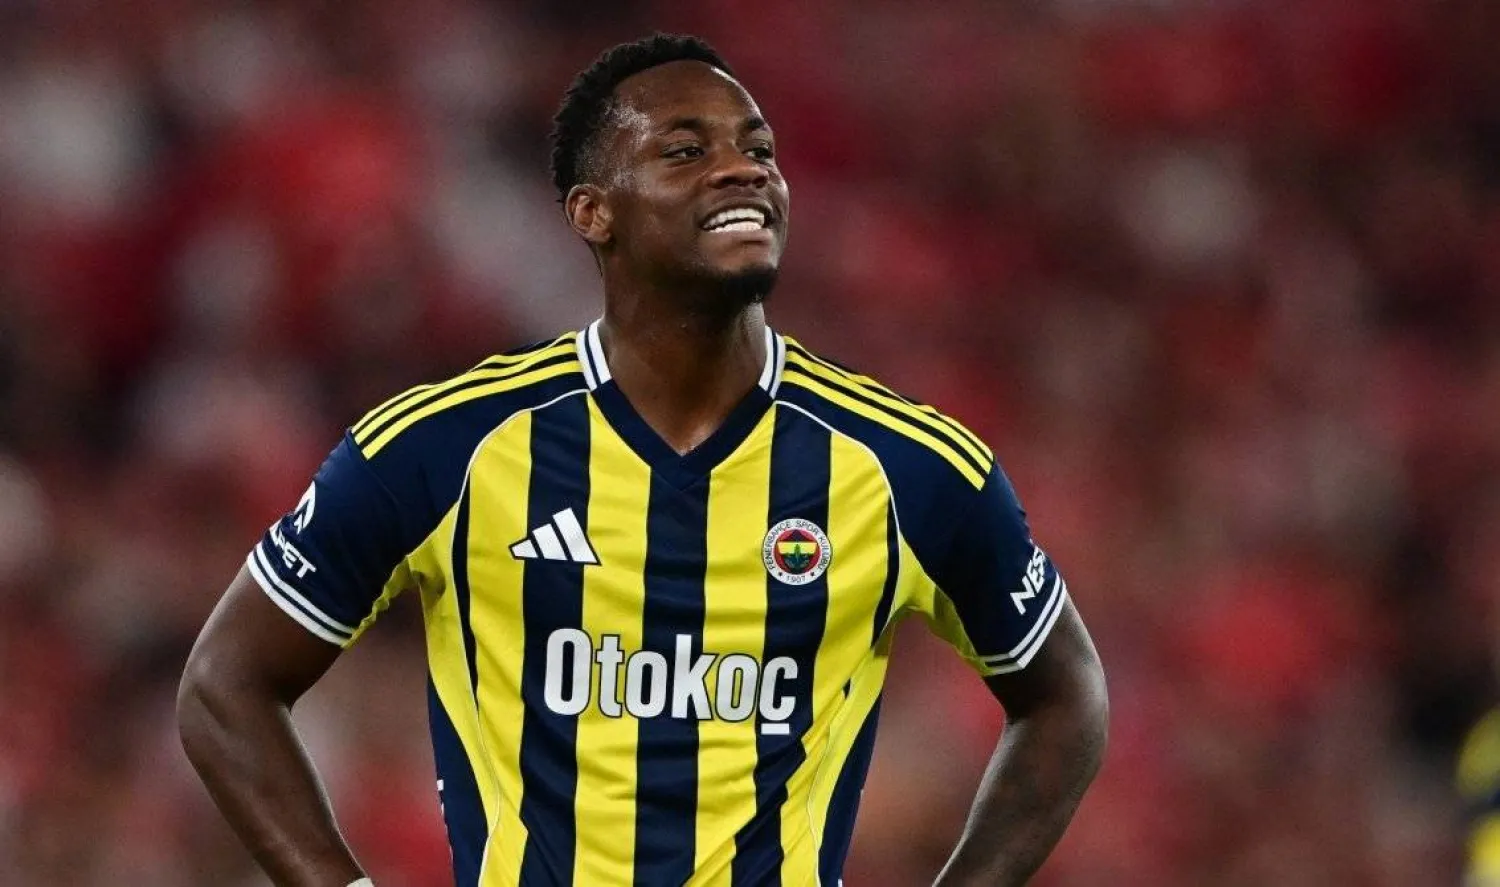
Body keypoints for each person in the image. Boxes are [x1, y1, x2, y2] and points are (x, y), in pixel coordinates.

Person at [177, 33, 1108, 887]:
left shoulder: (906, 468)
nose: (743, 168)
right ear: (593, 212)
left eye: (759, 148)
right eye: (686, 151)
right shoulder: (445, 446)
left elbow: (1065, 696)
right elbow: (225, 684)